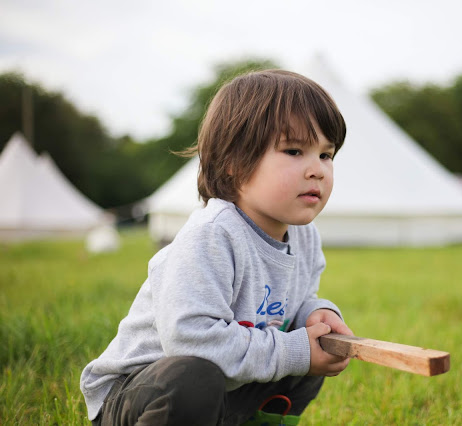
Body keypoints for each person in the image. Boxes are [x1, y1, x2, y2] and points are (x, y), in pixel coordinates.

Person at [80, 69, 353, 425]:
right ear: (234, 165)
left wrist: (315, 315)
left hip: (224, 385)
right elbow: (193, 343)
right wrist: (295, 349)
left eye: (326, 155)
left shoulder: (305, 236)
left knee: (310, 356)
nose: (317, 169)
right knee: (195, 378)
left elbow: (292, 304)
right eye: (294, 150)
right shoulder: (213, 235)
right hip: (145, 393)